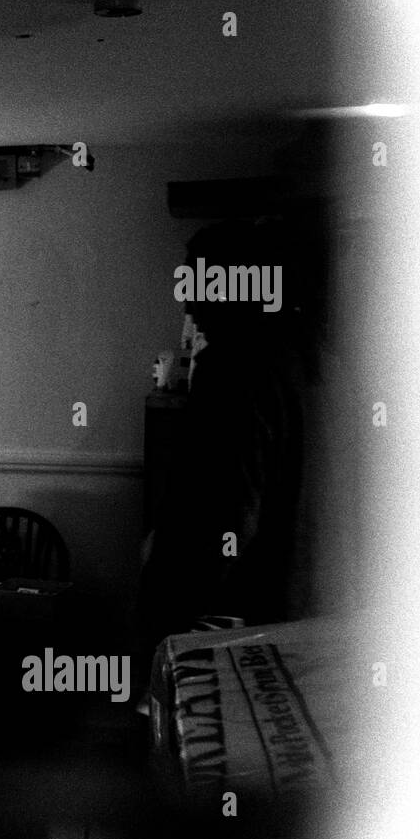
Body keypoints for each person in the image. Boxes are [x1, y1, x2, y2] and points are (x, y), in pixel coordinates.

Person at [140, 220, 305, 658]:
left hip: (217, 609)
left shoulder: (235, 367)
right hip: (247, 601)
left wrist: (187, 616)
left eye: (199, 281)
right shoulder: (284, 357)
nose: (189, 303)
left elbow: (234, 507)